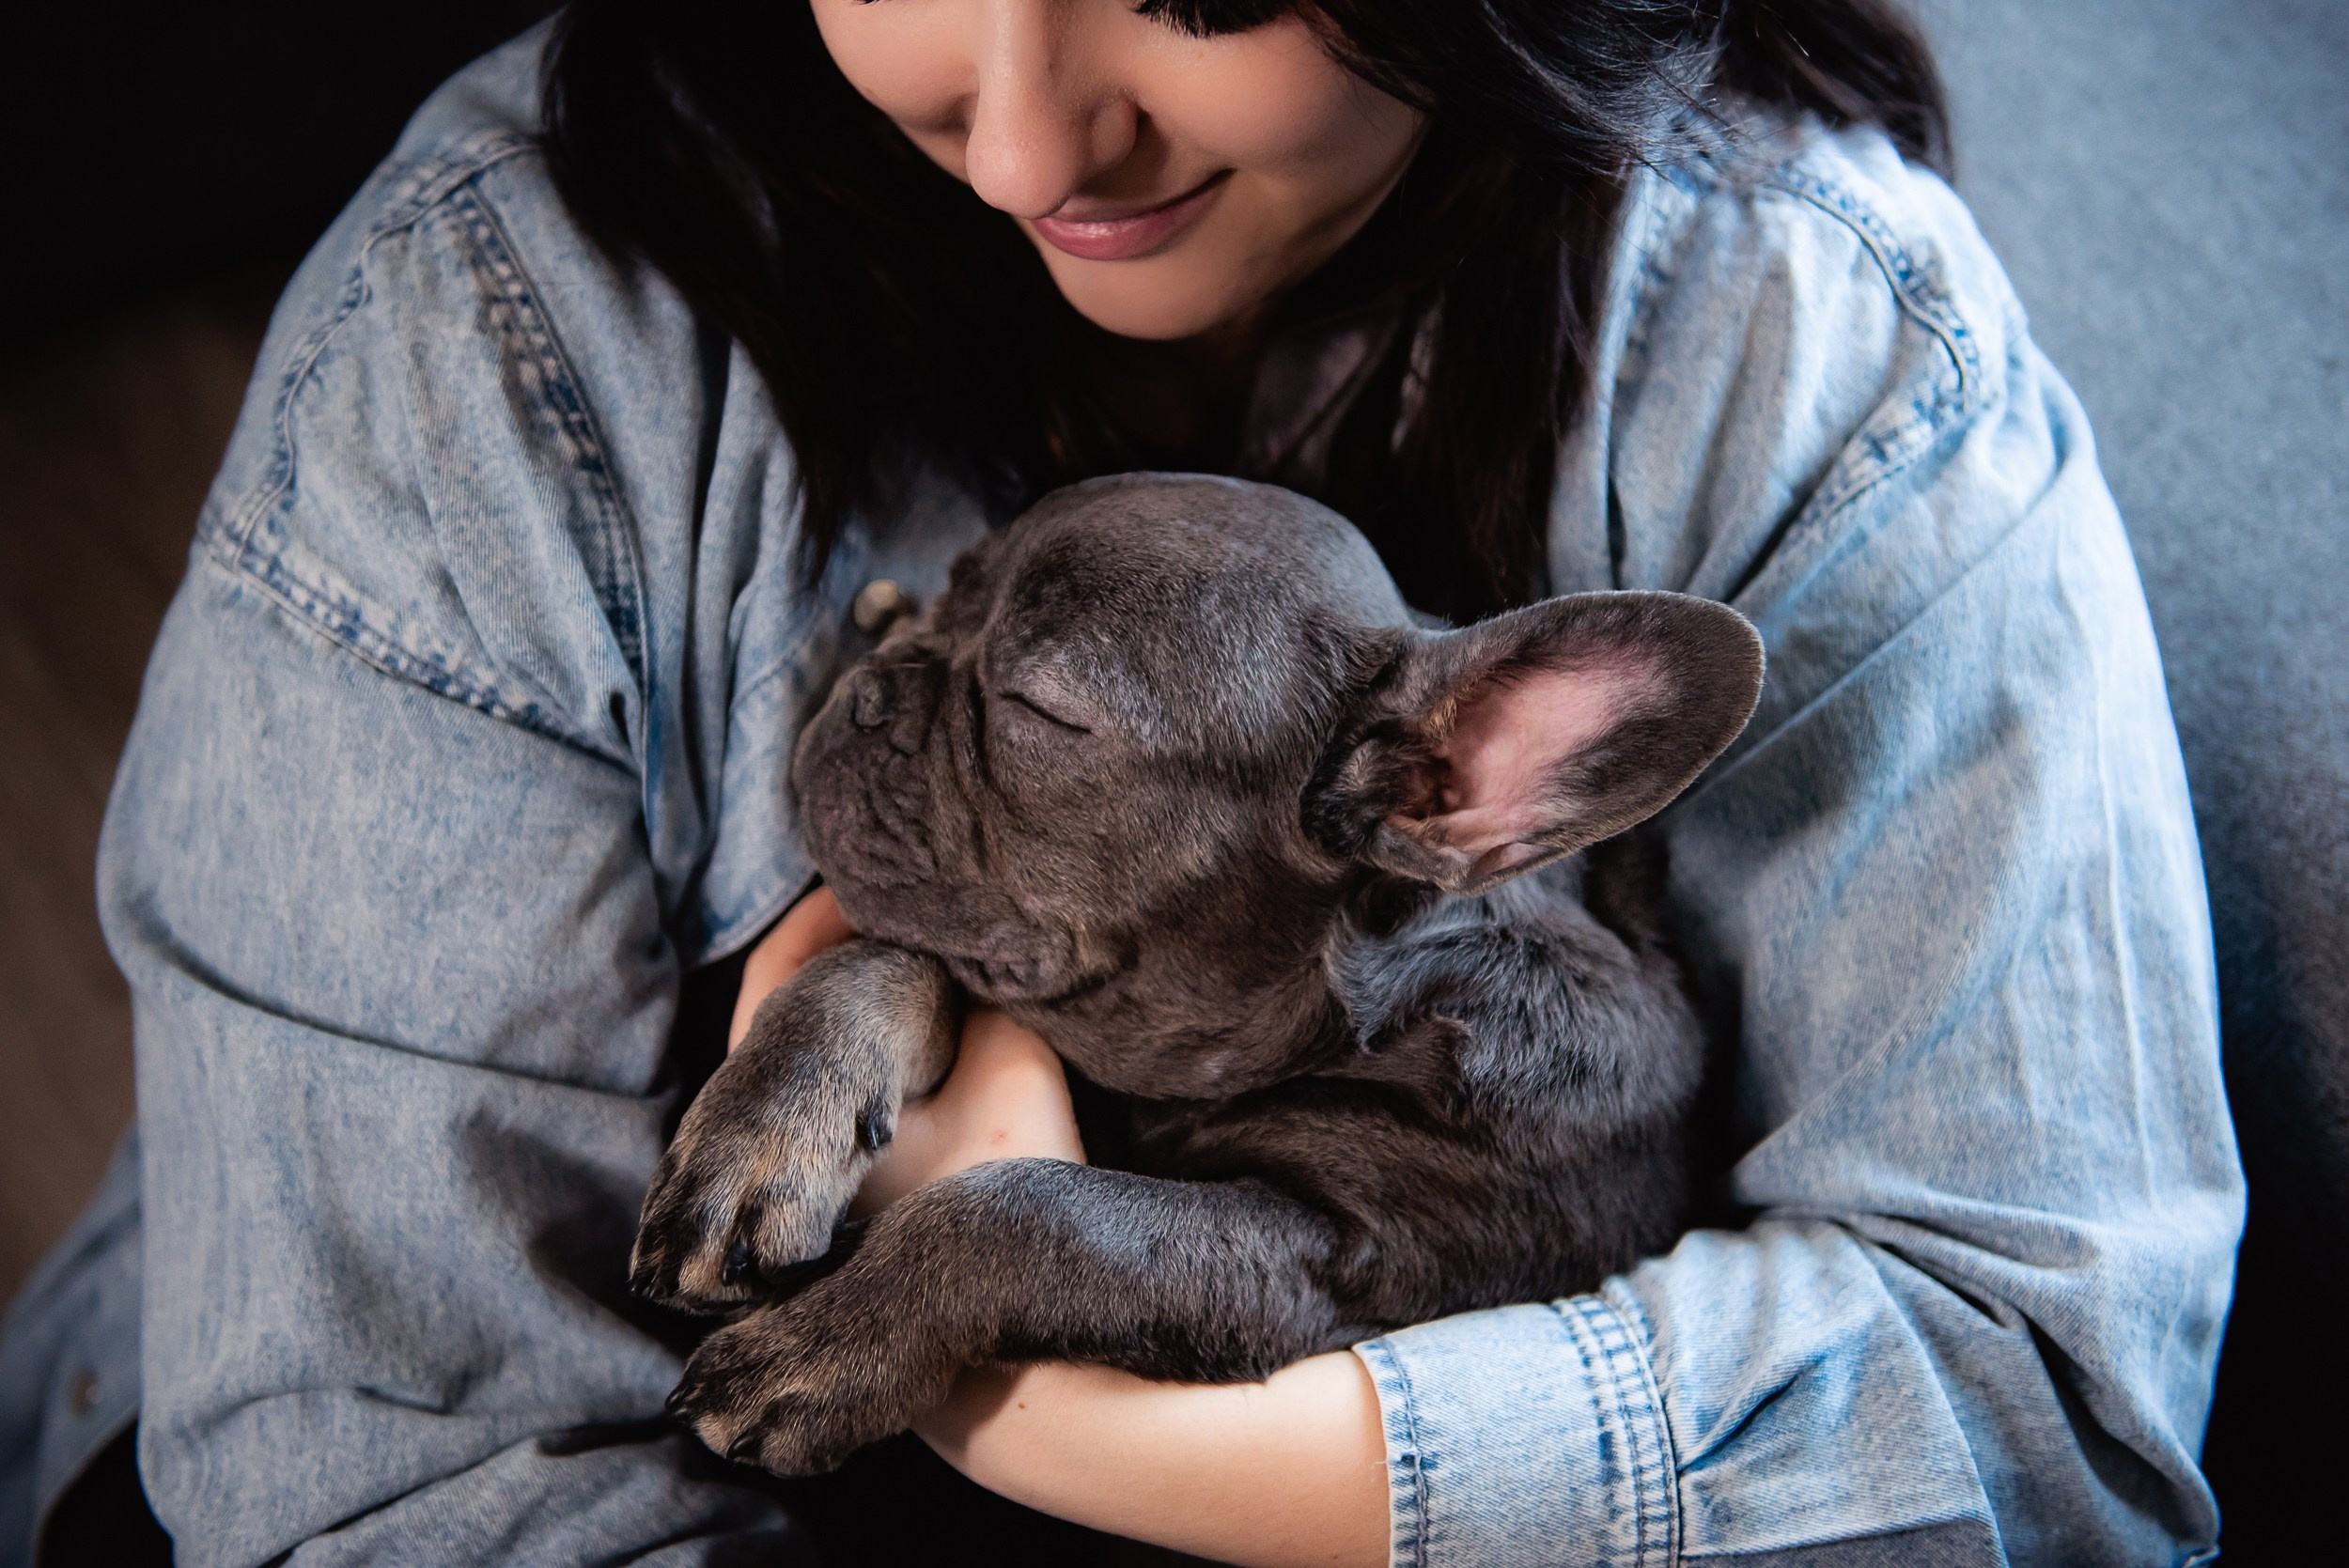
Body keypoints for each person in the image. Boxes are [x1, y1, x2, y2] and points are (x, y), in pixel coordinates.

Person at [0, 0, 2242, 1562]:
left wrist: (1044, 1386)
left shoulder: (1808, 357)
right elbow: (388, 1475)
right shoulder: (492, 345)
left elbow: (2037, 1414)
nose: (1020, 141)